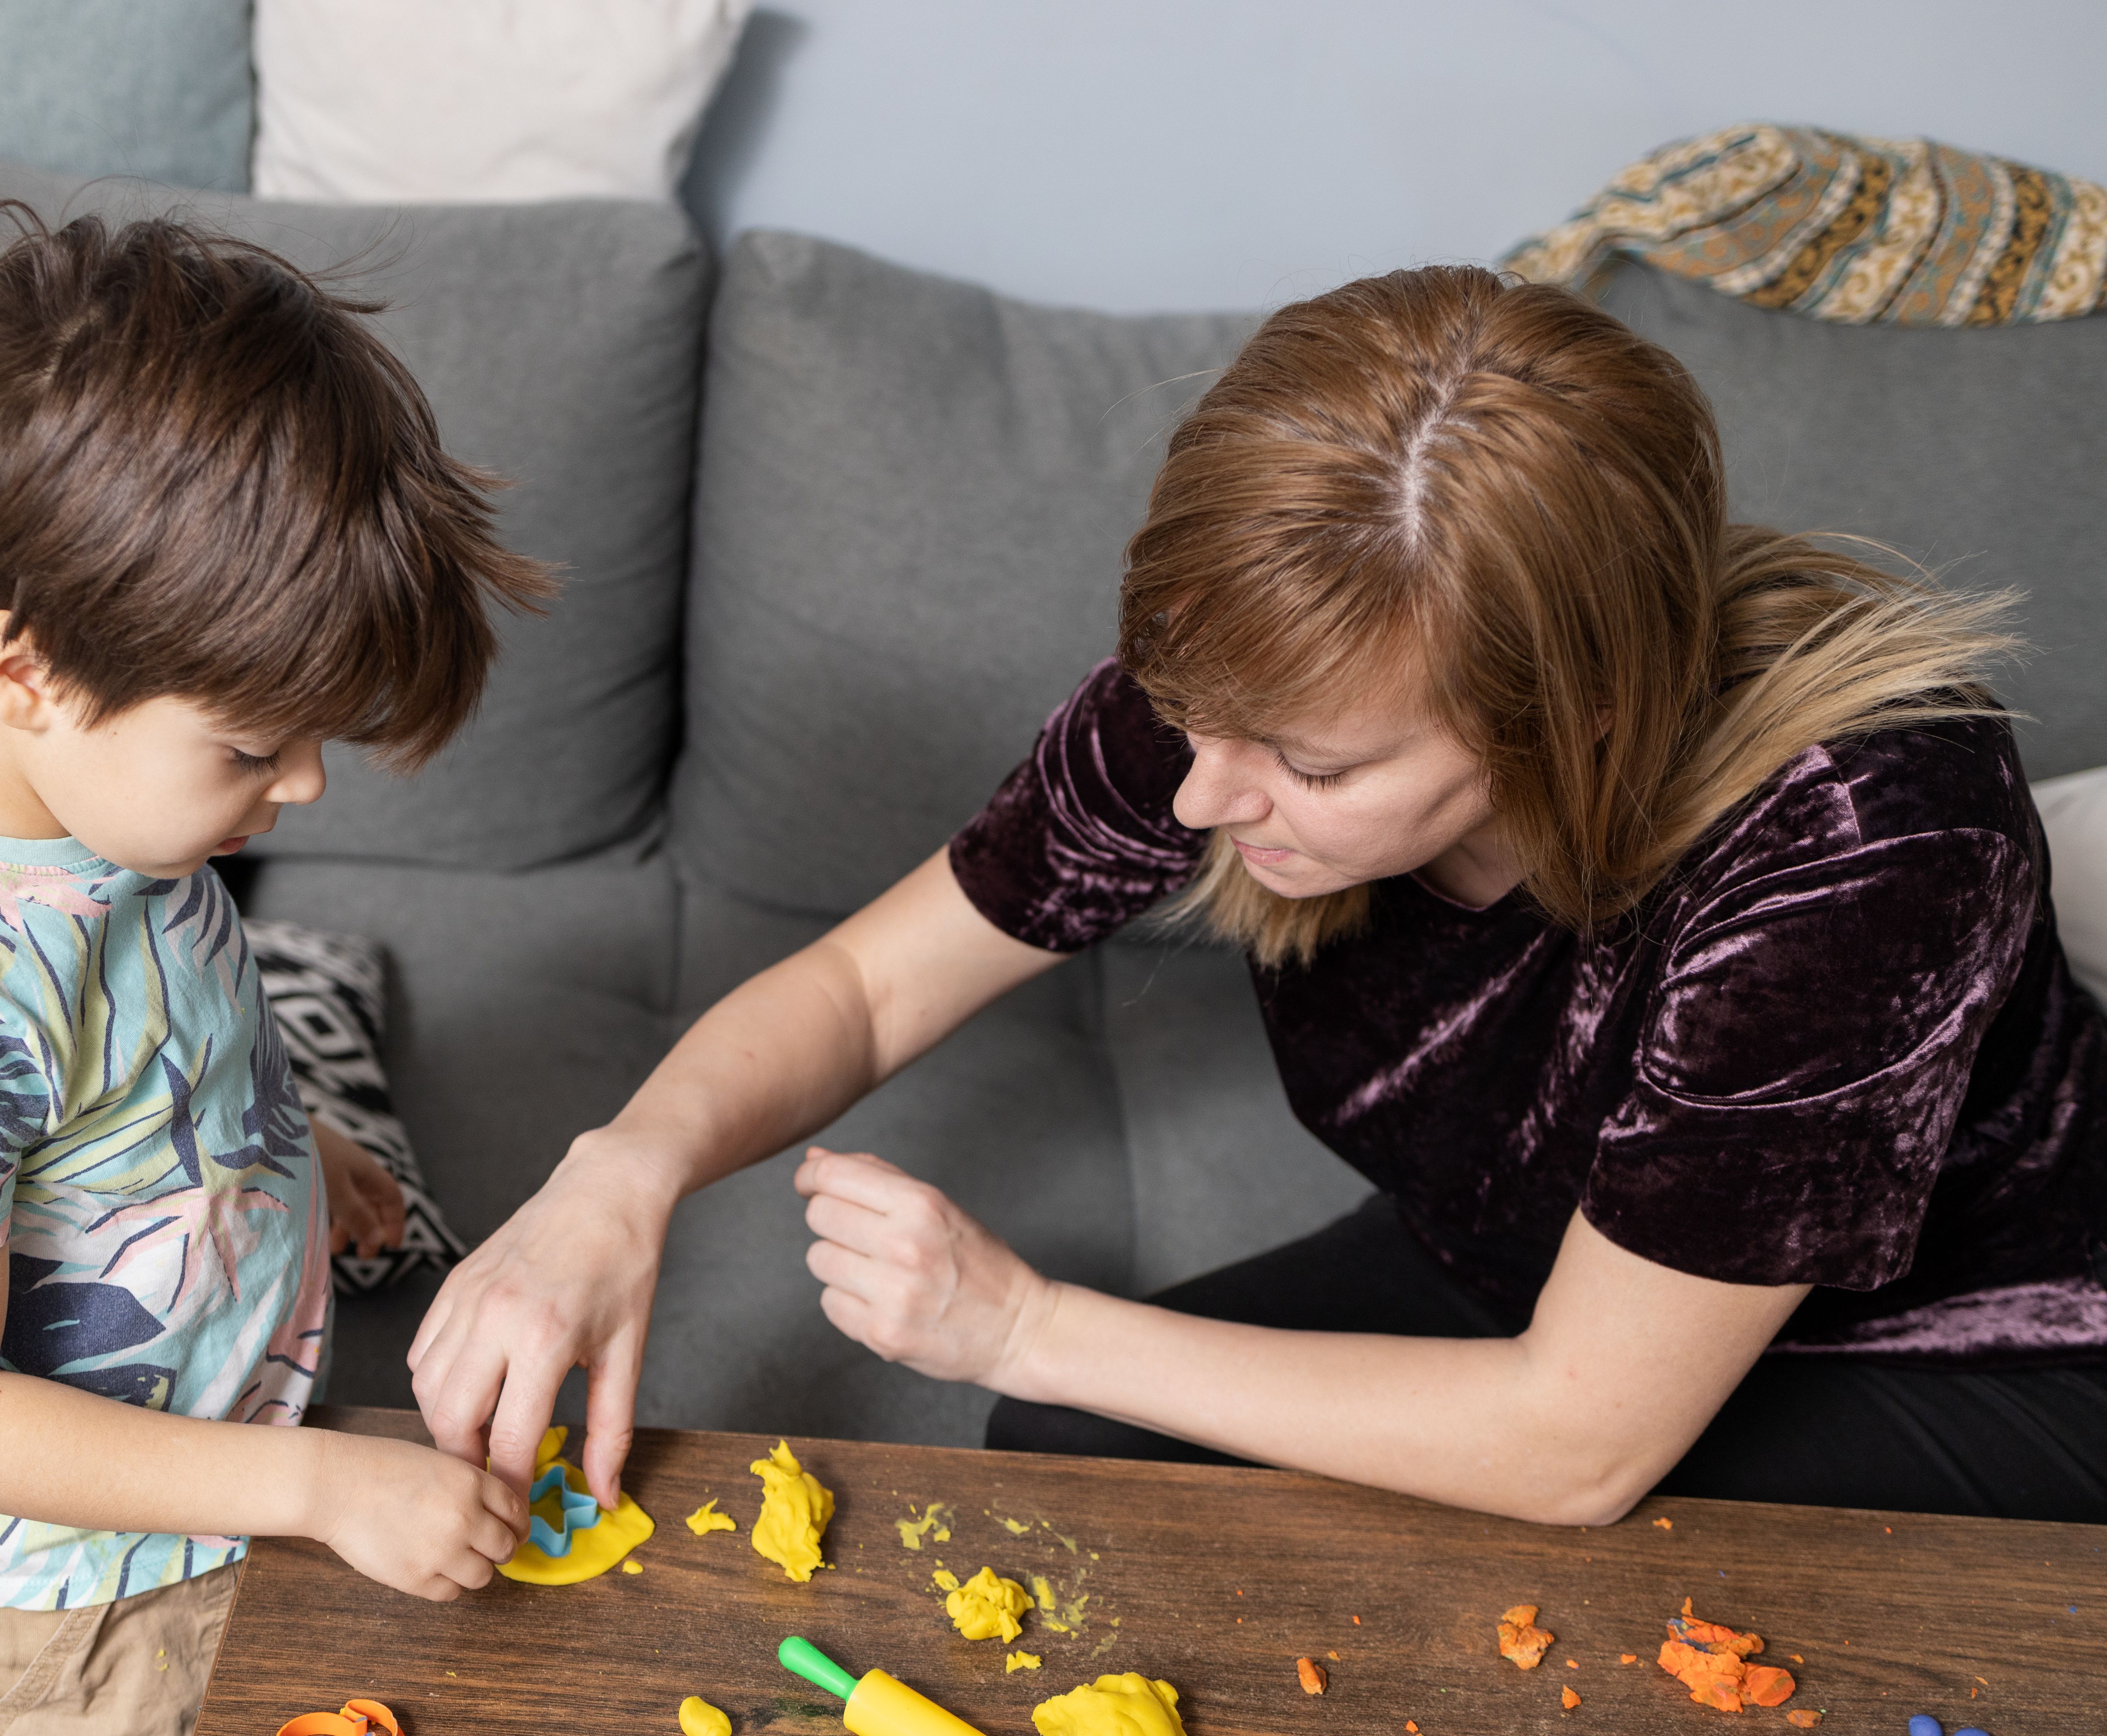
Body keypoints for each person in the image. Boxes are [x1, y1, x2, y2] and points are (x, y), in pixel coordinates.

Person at [410, 263, 2107, 1530]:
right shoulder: (1244, 694)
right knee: (1080, 1467)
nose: (1207, 798)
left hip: (1966, 1351)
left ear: (1573, 716)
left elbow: (1580, 1445)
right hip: (1531, 1267)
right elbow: (866, 991)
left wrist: (1021, 1320)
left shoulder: (1867, 836)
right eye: (1199, 723)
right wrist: (617, 1175)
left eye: (1311, 766)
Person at [0, 209, 553, 1736]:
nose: (305, 789)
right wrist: (324, 1491)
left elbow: (162, 1039)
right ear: (30, 668)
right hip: (84, 1630)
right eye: (253, 745)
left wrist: (297, 1148)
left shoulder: (114, 820)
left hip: (235, 1487)